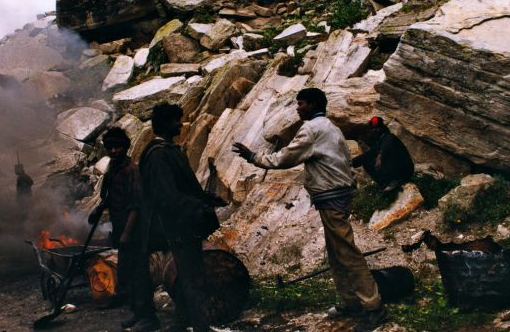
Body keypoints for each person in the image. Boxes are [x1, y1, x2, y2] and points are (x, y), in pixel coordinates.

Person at [232, 88, 386, 331]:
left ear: (313, 104)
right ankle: (351, 301)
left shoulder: (311, 129)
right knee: (337, 253)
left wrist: (253, 157)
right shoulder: (331, 127)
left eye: (301, 103)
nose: (297, 108)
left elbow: (285, 158)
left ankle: (373, 306)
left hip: (331, 196)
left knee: (347, 252)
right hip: (338, 194)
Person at [139, 102, 223, 332]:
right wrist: (198, 206)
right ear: (165, 124)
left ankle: (185, 322)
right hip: (177, 227)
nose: (180, 124)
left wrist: (205, 199)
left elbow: (181, 190)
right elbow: (167, 198)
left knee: (190, 276)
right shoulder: (158, 156)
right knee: (192, 279)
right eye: (176, 120)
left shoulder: (167, 150)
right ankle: (200, 326)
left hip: (181, 224)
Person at [88, 127, 157, 331]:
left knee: (139, 274)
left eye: (117, 147)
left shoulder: (131, 171)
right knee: (127, 274)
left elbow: (136, 205)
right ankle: (138, 313)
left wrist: (127, 233)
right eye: (110, 147)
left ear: (125, 147)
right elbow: (108, 197)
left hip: (135, 233)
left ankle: (149, 318)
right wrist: (98, 210)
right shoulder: (113, 170)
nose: (114, 151)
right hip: (121, 230)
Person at [351, 116, 414, 193]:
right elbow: (368, 154)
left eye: (377, 128)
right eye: (373, 129)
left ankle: (396, 180)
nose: (375, 130)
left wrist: (380, 155)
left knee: (385, 156)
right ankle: (384, 183)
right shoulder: (379, 141)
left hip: (405, 171)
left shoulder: (390, 137)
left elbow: (387, 144)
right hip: (394, 171)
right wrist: (351, 163)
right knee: (366, 160)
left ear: (382, 127)